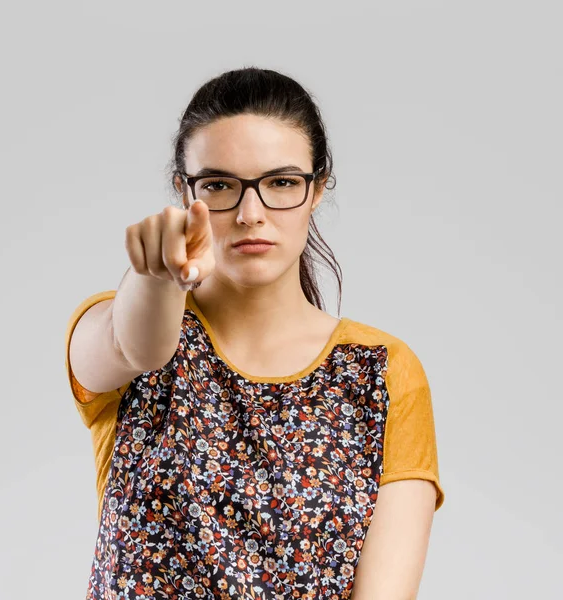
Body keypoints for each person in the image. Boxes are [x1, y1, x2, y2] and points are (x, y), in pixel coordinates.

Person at [65, 66, 445, 600]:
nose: (250, 213)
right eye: (219, 185)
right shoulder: (123, 321)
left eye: (281, 183)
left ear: (317, 190)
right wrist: (156, 273)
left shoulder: (381, 370)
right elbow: (140, 347)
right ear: (184, 191)